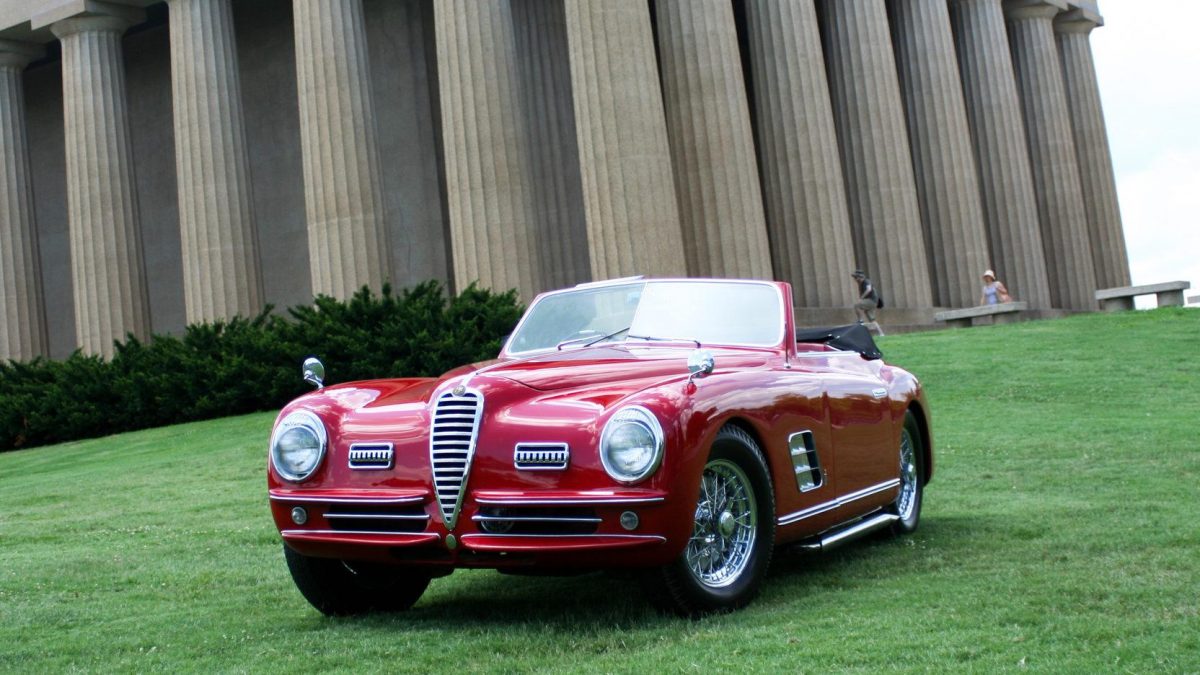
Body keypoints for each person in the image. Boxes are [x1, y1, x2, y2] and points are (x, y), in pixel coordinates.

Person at [851, 270, 884, 337]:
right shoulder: (861, 283)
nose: (855, 279)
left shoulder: (866, 281)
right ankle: (881, 333)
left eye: (856, 277)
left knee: (857, 305)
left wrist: (862, 298)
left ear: (860, 277)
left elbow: (868, 289)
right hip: (873, 302)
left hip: (871, 301)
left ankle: (860, 321)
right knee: (872, 319)